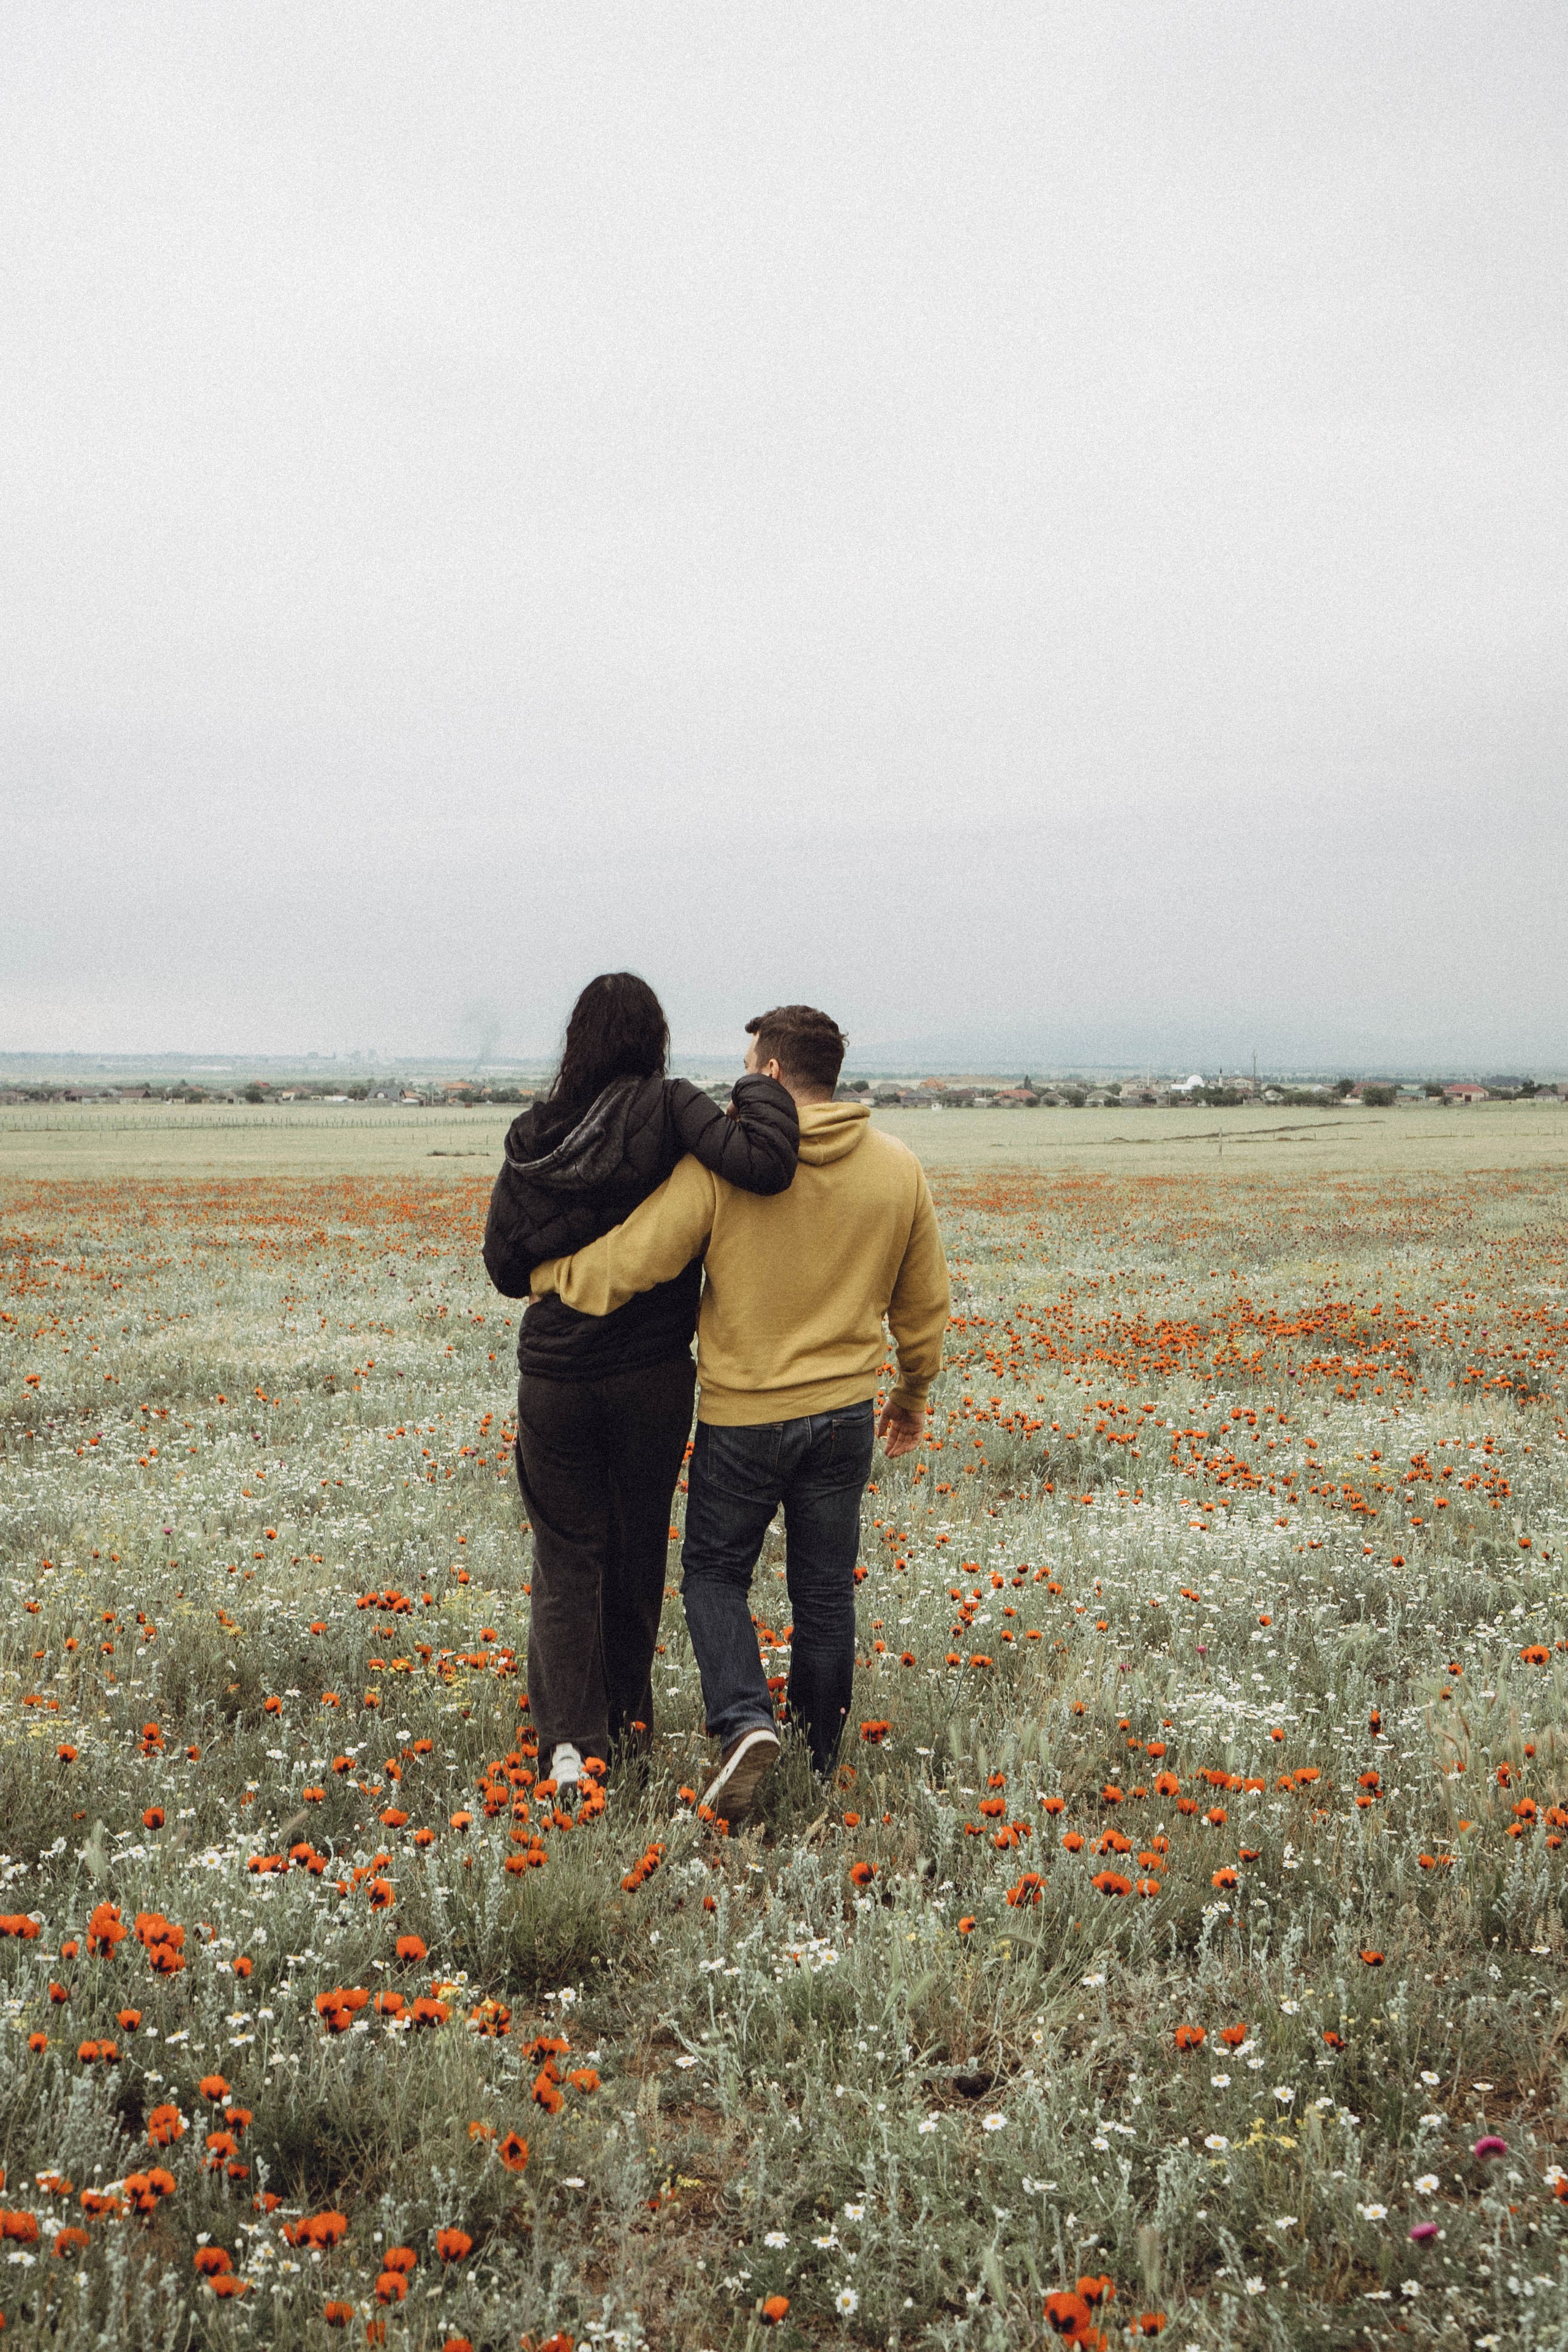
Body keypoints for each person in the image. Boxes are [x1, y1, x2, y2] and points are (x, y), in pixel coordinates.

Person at [528, 1003, 950, 1824]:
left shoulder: (724, 1168)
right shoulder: (898, 1168)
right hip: (842, 1417)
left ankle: (745, 1722)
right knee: (825, 1595)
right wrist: (912, 1395)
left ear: (770, 1073)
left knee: (715, 1577)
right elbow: (924, 1301)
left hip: (743, 1416)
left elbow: (636, 1259)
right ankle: (819, 1765)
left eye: (747, 1060)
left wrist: (549, 1275)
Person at [482, 973, 798, 1801]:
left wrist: (563, 1253)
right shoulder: (670, 1106)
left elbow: (504, 1268)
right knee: (632, 1556)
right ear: (652, 1038)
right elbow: (763, 1165)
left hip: (555, 1379)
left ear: (577, 1041)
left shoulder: (533, 1134)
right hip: (651, 1378)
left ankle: (565, 1750)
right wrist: (757, 1088)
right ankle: (626, 1734)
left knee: (566, 1558)